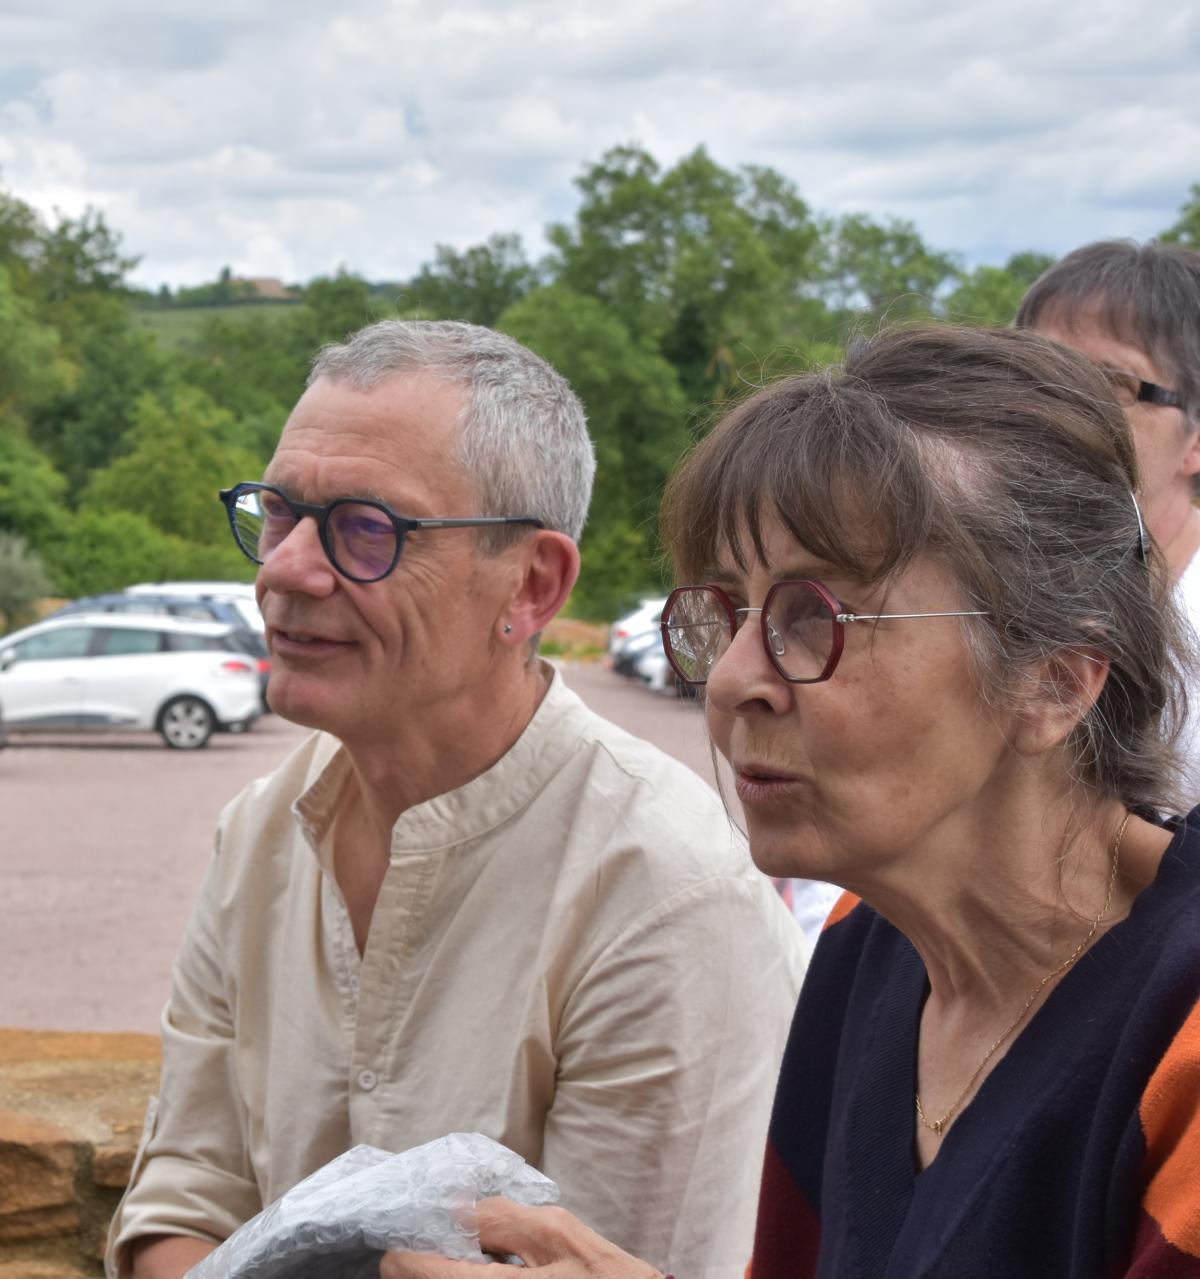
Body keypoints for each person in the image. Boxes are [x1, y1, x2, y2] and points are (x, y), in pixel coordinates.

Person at [376, 325, 1200, 1279]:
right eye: (724, 610)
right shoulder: (870, 950)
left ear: (1057, 681)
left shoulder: (1178, 1046)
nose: (729, 680)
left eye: (814, 615)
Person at [107, 320, 808, 1279]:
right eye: (279, 511)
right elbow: (181, 1197)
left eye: (366, 528)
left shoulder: (665, 896)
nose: (283, 570)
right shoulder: (260, 833)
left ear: (531, 584)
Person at [1017, 240, 1200, 804]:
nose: (1058, 407)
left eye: (1112, 383)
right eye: (1034, 374)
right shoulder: (968, 589)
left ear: (1196, 441)